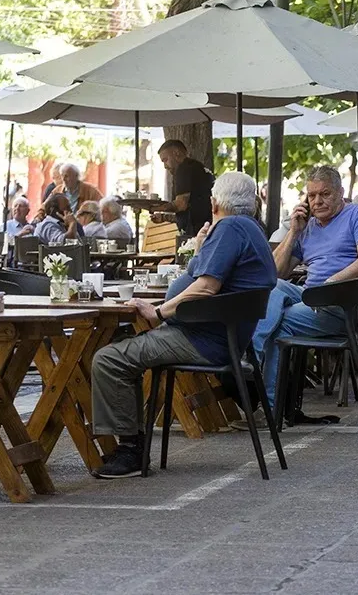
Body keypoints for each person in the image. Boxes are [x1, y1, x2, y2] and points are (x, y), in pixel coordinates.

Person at [91, 172, 276, 478]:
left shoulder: (230, 228)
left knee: (109, 359)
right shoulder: (250, 228)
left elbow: (205, 287)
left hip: (204, 339)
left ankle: (131, 451)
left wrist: (160, 313)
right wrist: (204, 246)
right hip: (221, 335)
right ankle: (131, 440)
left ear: (214, 203)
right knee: (122, 347)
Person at [253, 165, 358, 414]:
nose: (317, 201)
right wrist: (293, 232)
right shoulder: (308, 227)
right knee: (272, 287)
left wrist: (331, 284)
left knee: (280, 324)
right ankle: (255, 351)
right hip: (313, 299)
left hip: (347, 304)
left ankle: (271, 408)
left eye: (325, 194)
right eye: (311, 196)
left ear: (340, 192)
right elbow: (275, 273)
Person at [158, 140, 215, 237]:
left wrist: (154, 207)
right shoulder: (197, 167)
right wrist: (164, 217)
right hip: (208, 227)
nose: (165, 166)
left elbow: (181, 205)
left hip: (197, 233)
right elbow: (190, 210)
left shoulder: (184, 169)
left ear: (176, 153)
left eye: (165, 160)